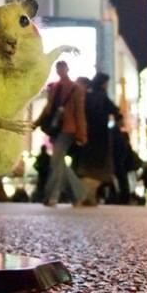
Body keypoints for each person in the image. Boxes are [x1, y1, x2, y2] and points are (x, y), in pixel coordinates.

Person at [34, 61, 87, 207]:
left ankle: (52, 196)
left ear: (67, 69)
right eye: (58, 68)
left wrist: (82, 134)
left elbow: (79, 112)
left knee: (56, 160)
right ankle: (78, 195)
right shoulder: (53, 87)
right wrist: (36, 123)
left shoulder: (76, 88)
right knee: (59, 163)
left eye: (62, 68)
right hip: (55, 129)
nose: (60, 71)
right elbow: (48, 109)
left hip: (68, 129)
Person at [75, 72, 120, 205]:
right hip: (101, 137)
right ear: (102, 83)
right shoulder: (102, 96)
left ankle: (89, 197)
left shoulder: (87, 96)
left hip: (87, 137)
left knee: (88, 168)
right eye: (106, 83)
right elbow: (116, 111)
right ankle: (86, 194)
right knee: (100, 170)